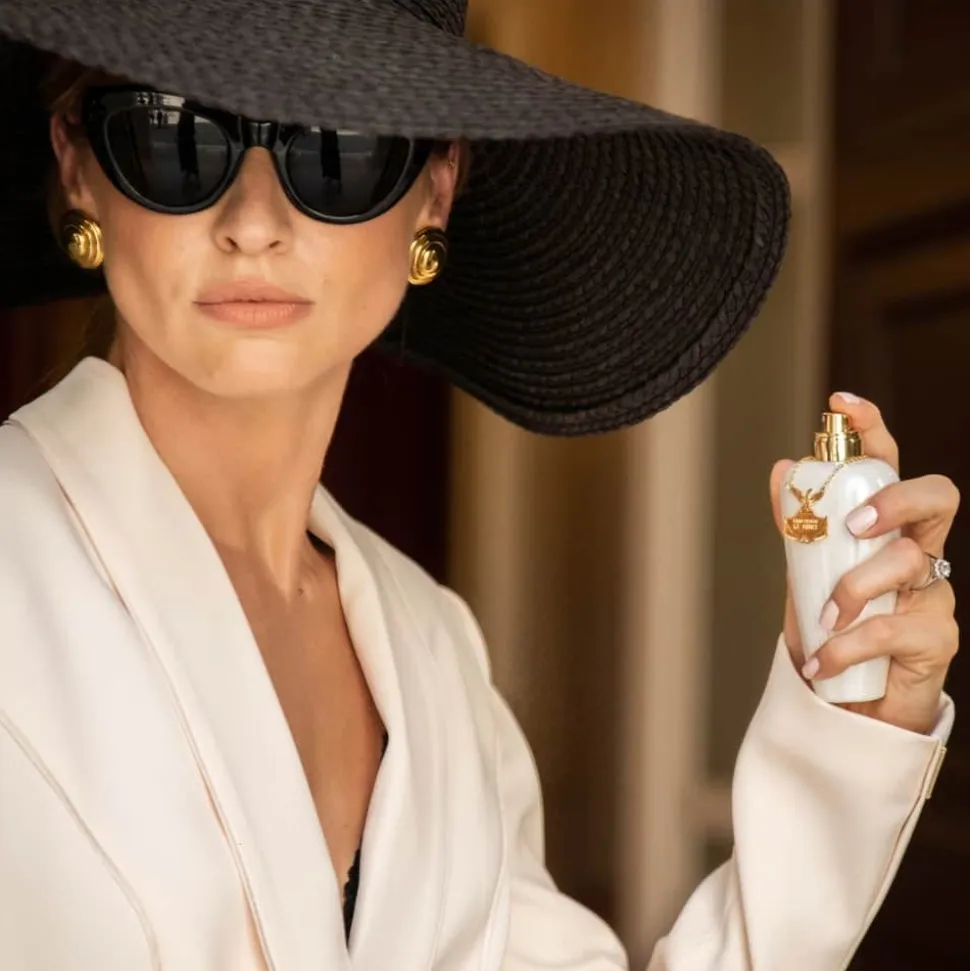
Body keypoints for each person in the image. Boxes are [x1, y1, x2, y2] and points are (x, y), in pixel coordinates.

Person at [0, 2, 958, 969]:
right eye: (174, 139)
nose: (254, 224)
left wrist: (850, 733)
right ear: (78, 166)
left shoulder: (433, 647)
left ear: (436, 188)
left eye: (337, 146)